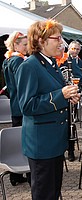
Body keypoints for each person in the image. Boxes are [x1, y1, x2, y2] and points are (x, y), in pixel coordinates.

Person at [15, 19, 80, 200]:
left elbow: (56, 96)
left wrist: (69, 97)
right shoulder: (29, 66)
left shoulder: (51, 63)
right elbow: (27, 106)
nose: (61, 42)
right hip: (41, 144)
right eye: (57, 38)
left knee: (53, 192)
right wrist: (61, 95)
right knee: (44, 194)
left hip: (54, 142)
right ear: (41, 41)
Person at [2, 31, 29, 186]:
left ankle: (16, 175)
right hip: (22, 105)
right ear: (15, 44)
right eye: (24, 44)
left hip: (15, 105)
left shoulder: (7, 60)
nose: (27, 47)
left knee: (18, 139)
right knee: (23, 140)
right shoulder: (18, 61)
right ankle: (19, 174)